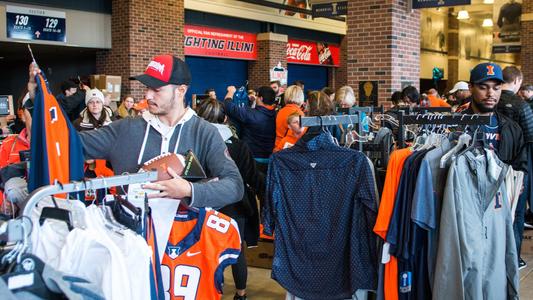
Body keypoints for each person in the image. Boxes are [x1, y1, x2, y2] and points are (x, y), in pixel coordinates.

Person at [29, 55, 244, 208]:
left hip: (184, 250)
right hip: (133, 246)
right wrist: (36, 103)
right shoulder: (126, 128)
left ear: (180, 91)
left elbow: (234, 186)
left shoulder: (204, 132)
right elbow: (64, 144)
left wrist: (189, 190)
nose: (148, 95)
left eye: (156, 89)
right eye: (147, 87)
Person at [196, 99, 265, 300]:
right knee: (237, 251)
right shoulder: (239, 145)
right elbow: (252, 176)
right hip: (237, 204)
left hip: (206, 202)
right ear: (225, 118)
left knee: (208, 249)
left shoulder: (196, 144)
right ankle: (240, 294)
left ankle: (211, 290)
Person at [495, 66, 533, 271]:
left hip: (489, 165)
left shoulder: (488, 103)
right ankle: (513, 258)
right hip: (517, 167)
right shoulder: (522, 106)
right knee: (517, 214)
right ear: (518, 80)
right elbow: (530, 139)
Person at [462, 62, 526, 171]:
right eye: (483, 88)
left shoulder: (512, 129)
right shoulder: (455, 126)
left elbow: (520, 169)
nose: (491, 94)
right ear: (470, 87)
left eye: (496, 88)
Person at [223, 86, 277, 172]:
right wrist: (252, 102)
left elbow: (228, 106)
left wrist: (230, 92)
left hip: (251, 159)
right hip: (270, 159)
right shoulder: (276, 115)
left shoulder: (250, 114)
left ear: (261, 98)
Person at [275, 85, 304, 151]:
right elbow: (294, 138)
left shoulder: (281, 111)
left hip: (278, 146)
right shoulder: (299, 114)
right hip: (287, 150)